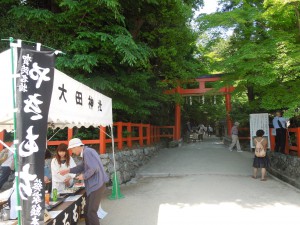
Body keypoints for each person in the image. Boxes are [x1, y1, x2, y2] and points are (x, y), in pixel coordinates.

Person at [59, 138, 109, 225]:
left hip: (96, 186)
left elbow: (94, 168)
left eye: (72, 149)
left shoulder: (87, 152)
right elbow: (81, 167)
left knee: (91, 212)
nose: (72, 152)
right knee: (87, 210)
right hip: (96, 185)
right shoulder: (87, 152)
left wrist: (84, 176)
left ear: (77, 147)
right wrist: (68, 170)